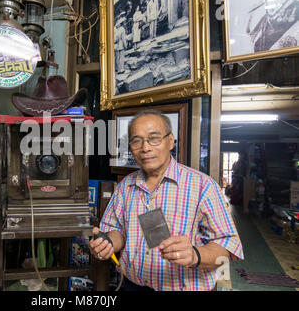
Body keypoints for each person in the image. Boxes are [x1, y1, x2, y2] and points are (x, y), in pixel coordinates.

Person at [88, 110, 244, 291]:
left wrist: (195, 255)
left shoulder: (203, 186)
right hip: (131, 286)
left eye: (154, 138)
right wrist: (107, 243)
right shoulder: (125, 187)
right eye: (136, 141)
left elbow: (227, 246)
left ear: (170, 141)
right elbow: (116, 230)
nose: (145, 148)